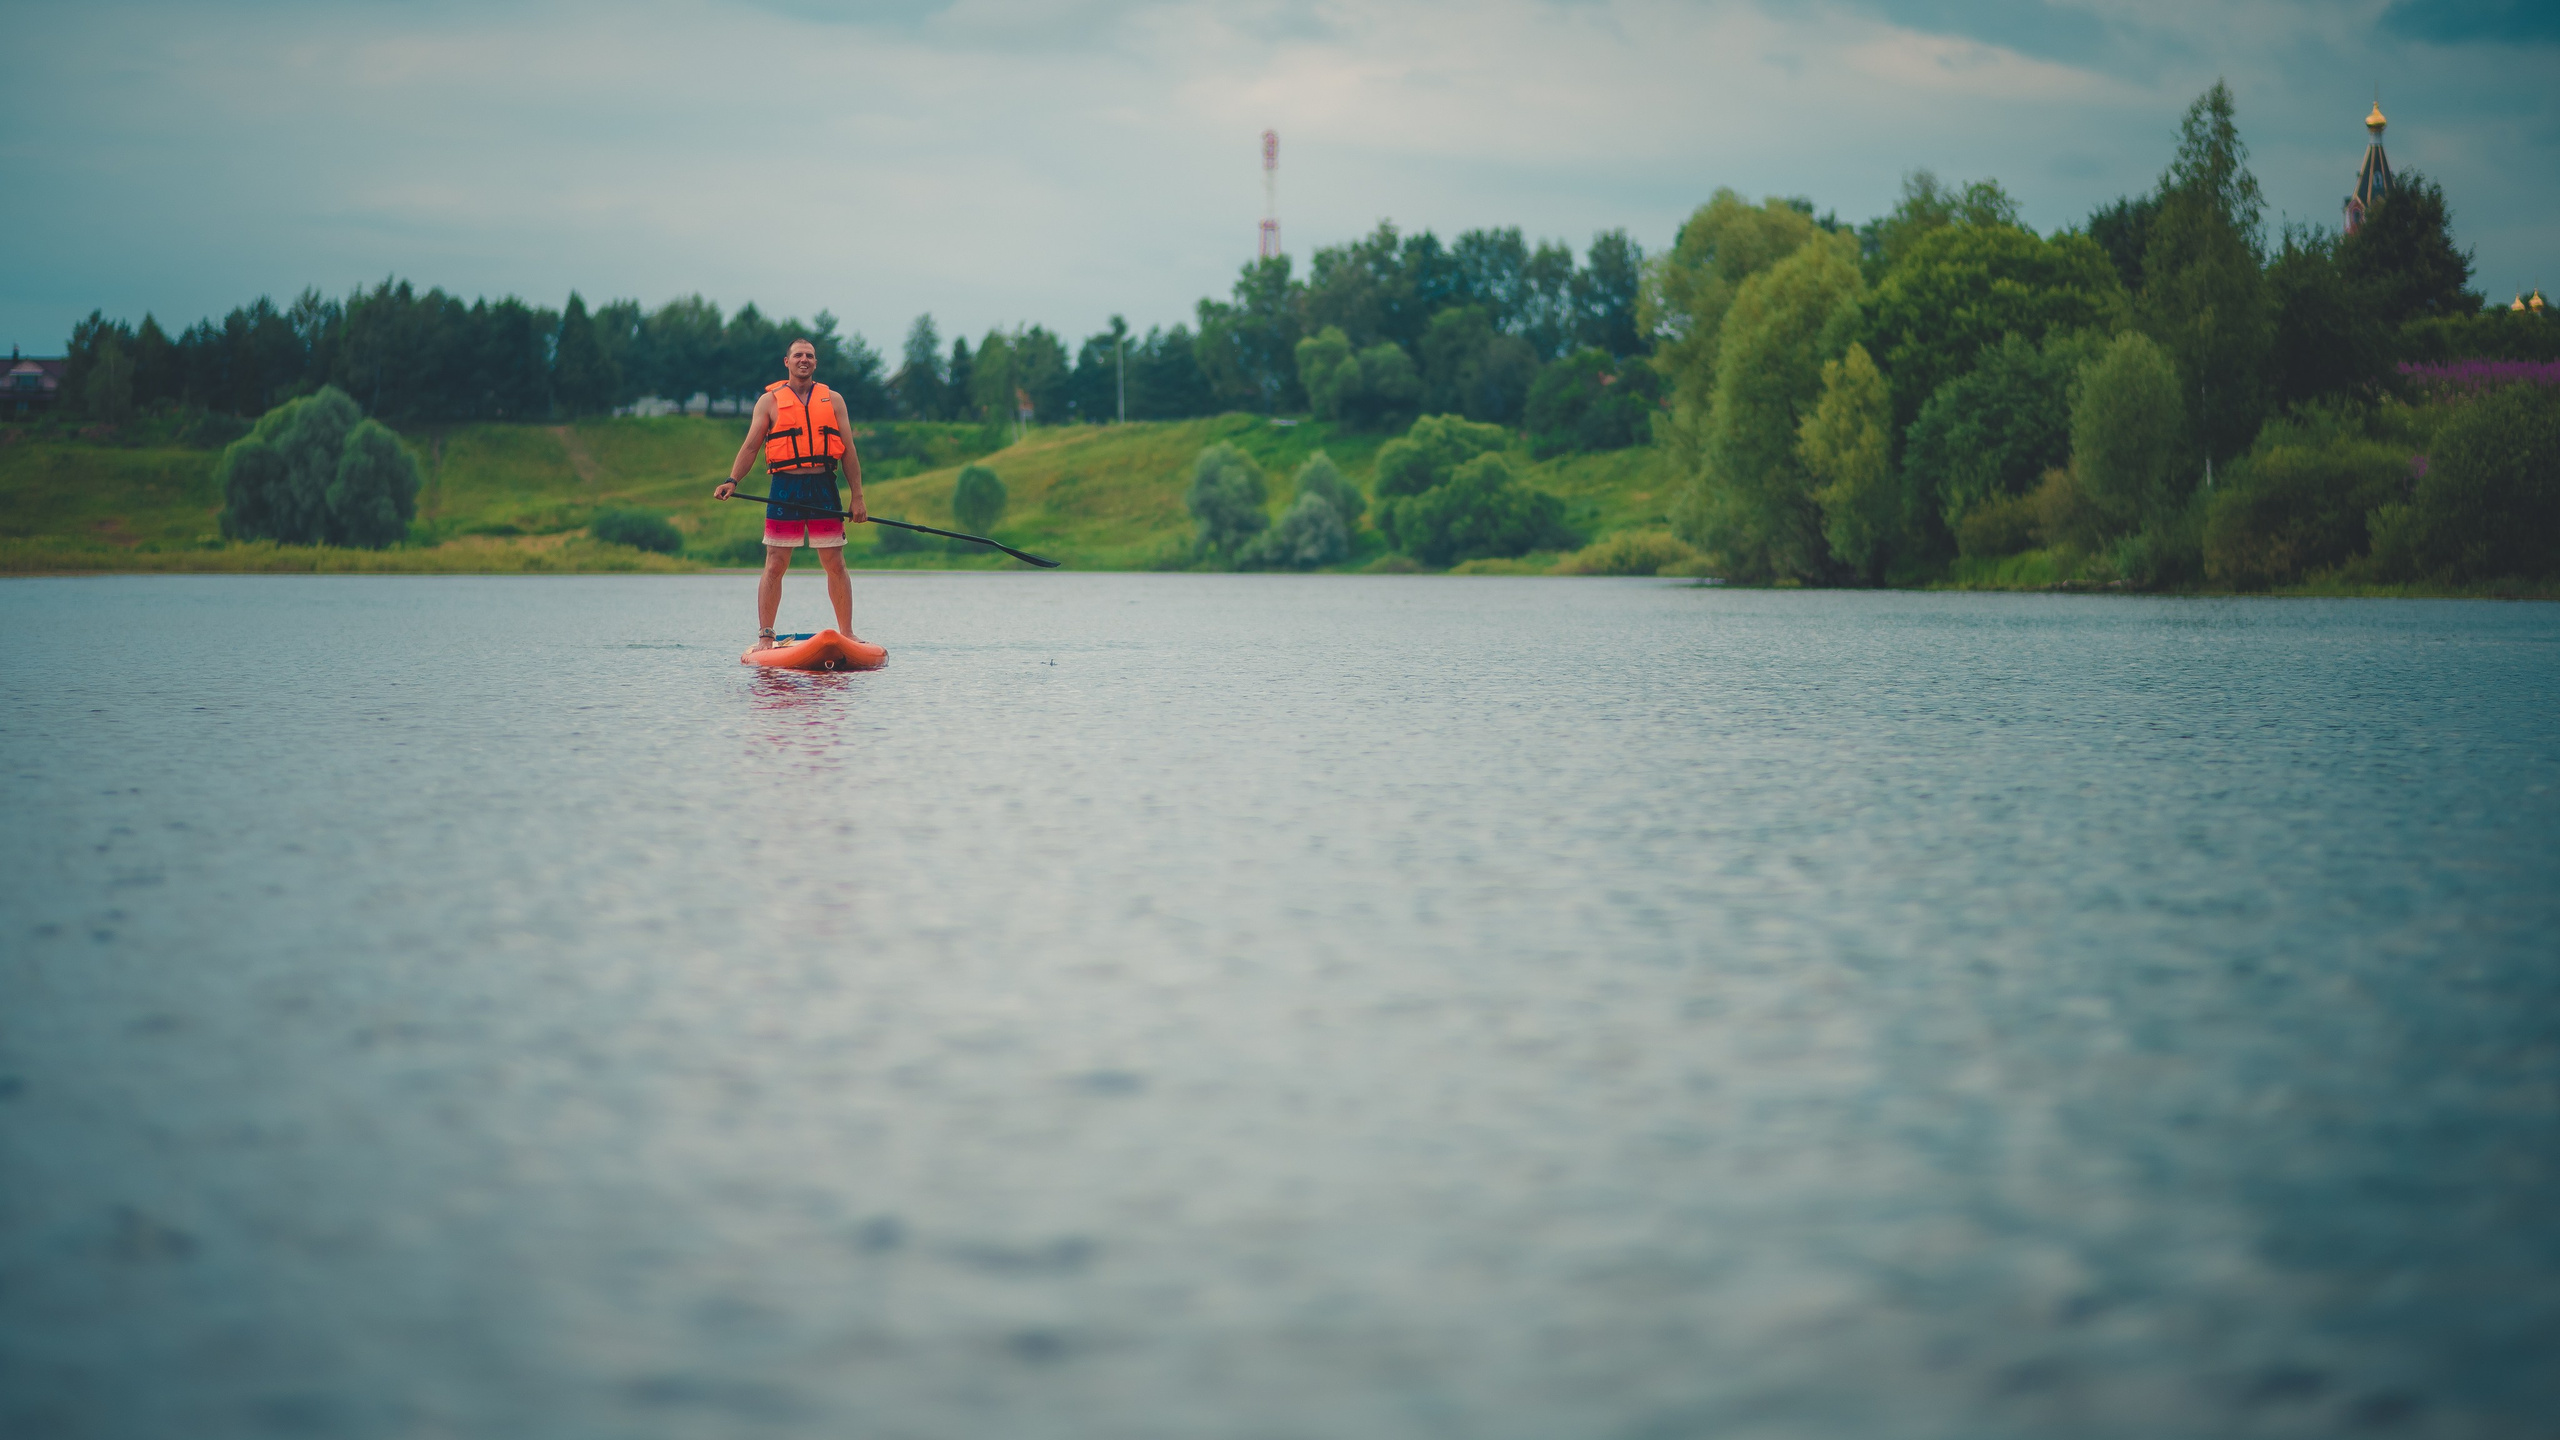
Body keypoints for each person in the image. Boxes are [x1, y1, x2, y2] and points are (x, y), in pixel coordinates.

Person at [713, 338, 868, 649]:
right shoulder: (768, 401)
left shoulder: (834, 400)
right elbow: (751, 446)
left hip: (824, 486)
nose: (804, 360)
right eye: (798, 355)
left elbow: (848, 451)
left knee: (835, 561)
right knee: (775, 563)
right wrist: (733, 479)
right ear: (787, 362)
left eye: (810, 356)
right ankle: (766, 637)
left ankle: (848, 634)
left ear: (815, 363)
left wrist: (857, 496)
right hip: (785, 488)